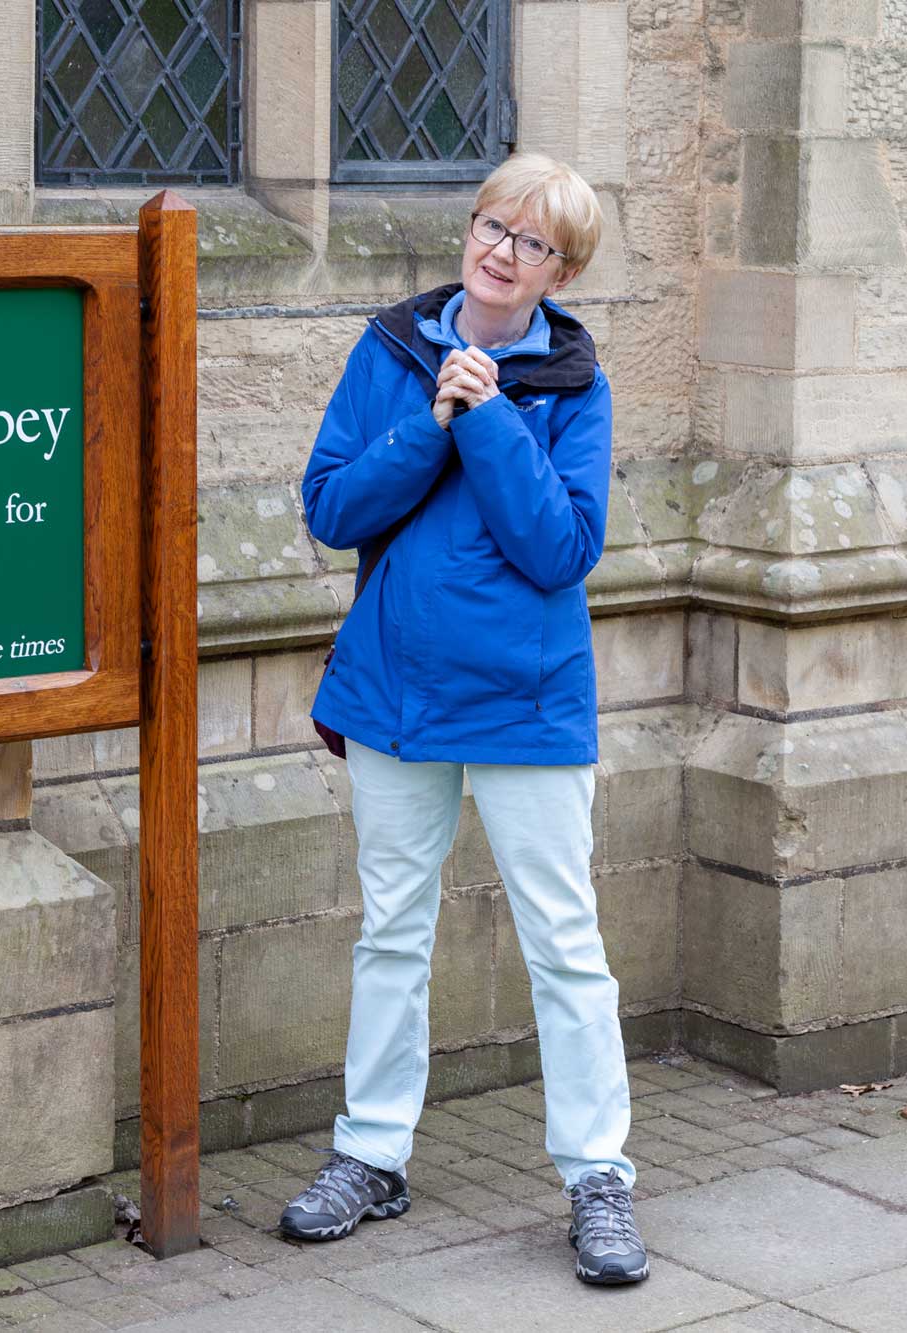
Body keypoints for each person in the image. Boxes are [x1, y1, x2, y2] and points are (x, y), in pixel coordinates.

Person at [279, 152, 646, 1286]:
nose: (501, 250)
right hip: (392, 692)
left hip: (525, 707)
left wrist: (485, 420)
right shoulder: (389, 350)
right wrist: (428, 422)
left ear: (560, 268)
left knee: (563, 947)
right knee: (391, 930)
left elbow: (558, 549)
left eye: (532, 241)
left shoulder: (574, 387)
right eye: (493, 224)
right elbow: (331, 509)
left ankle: (597, 1177)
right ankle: (370, 1154)